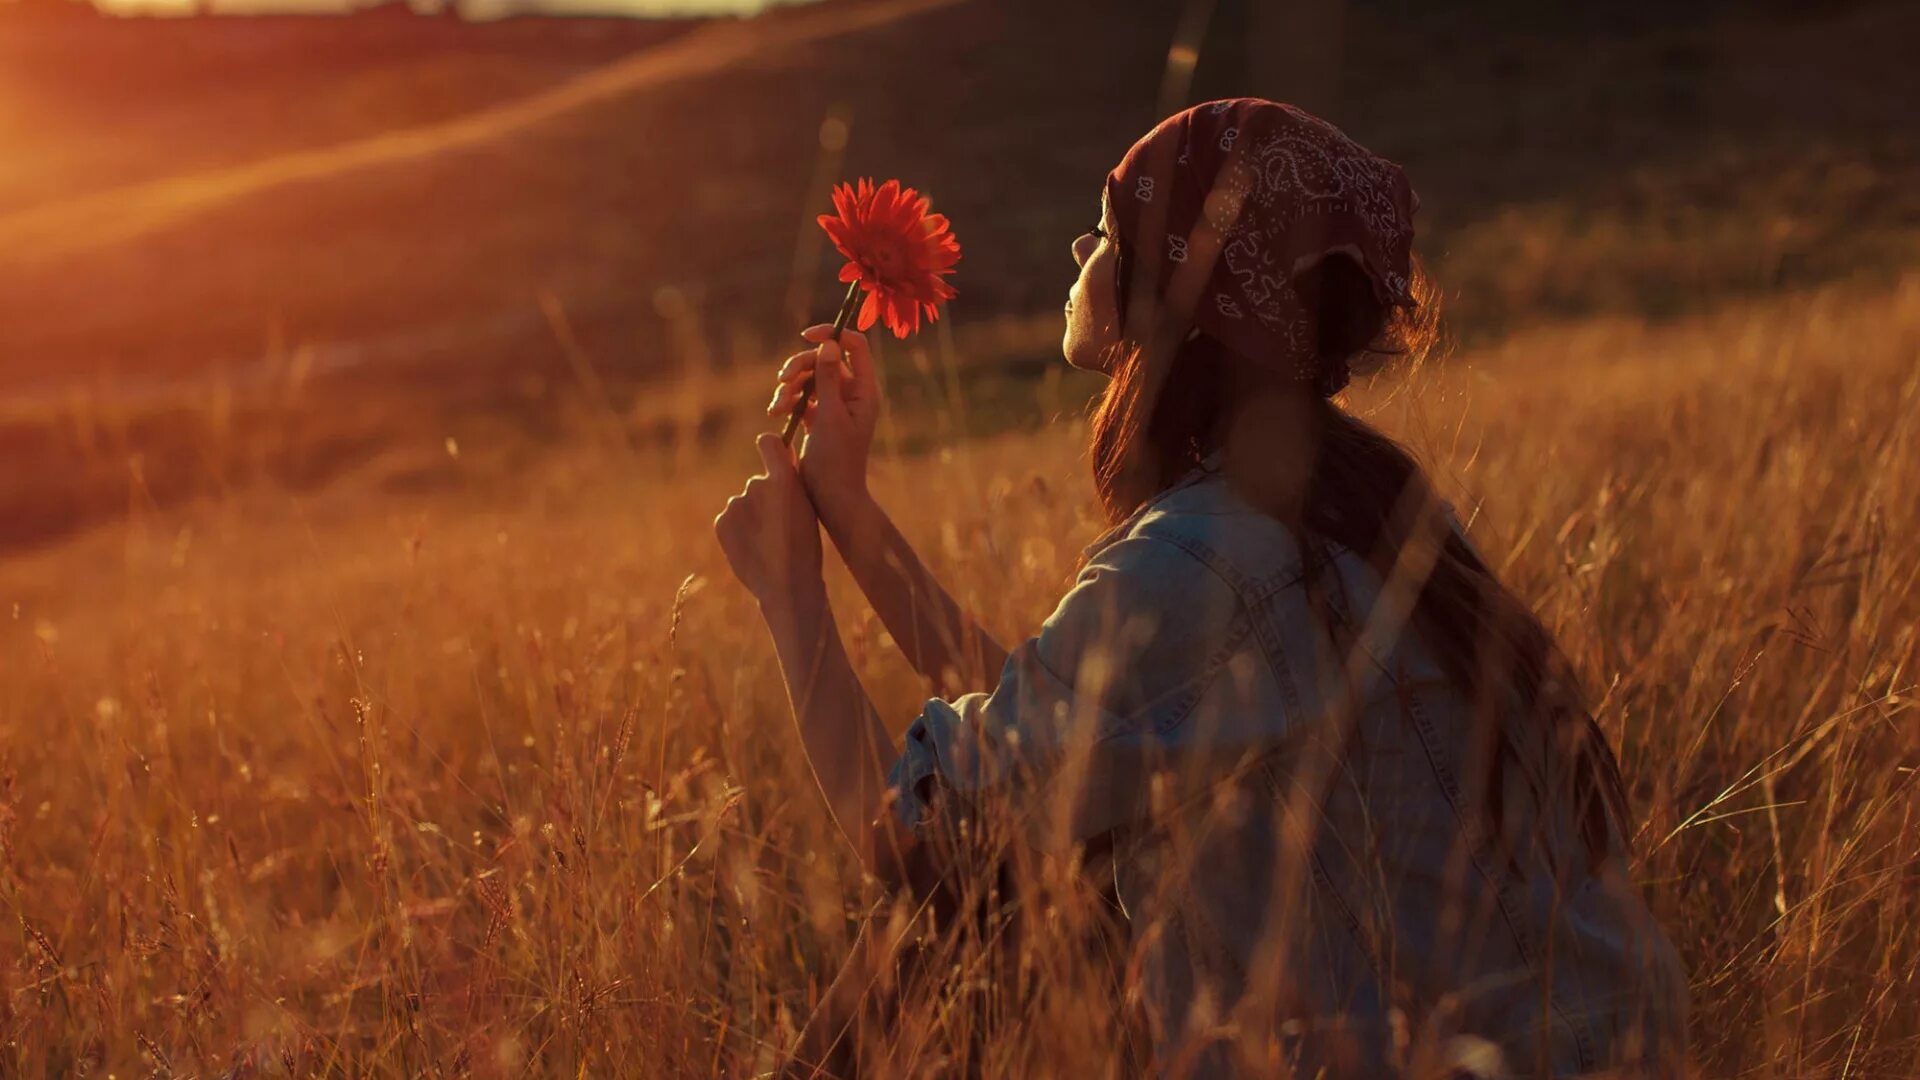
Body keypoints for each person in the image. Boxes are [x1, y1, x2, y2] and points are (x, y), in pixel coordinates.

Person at [714, 98, 1689, 1077]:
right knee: (1023, 893)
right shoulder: (1360, 506)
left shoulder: (1198, 559)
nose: (1077, 250)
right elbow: (1074, 728)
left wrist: (792, 597)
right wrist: (848, 509)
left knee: (940, 932)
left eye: (1103, 231)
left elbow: (915, 842)